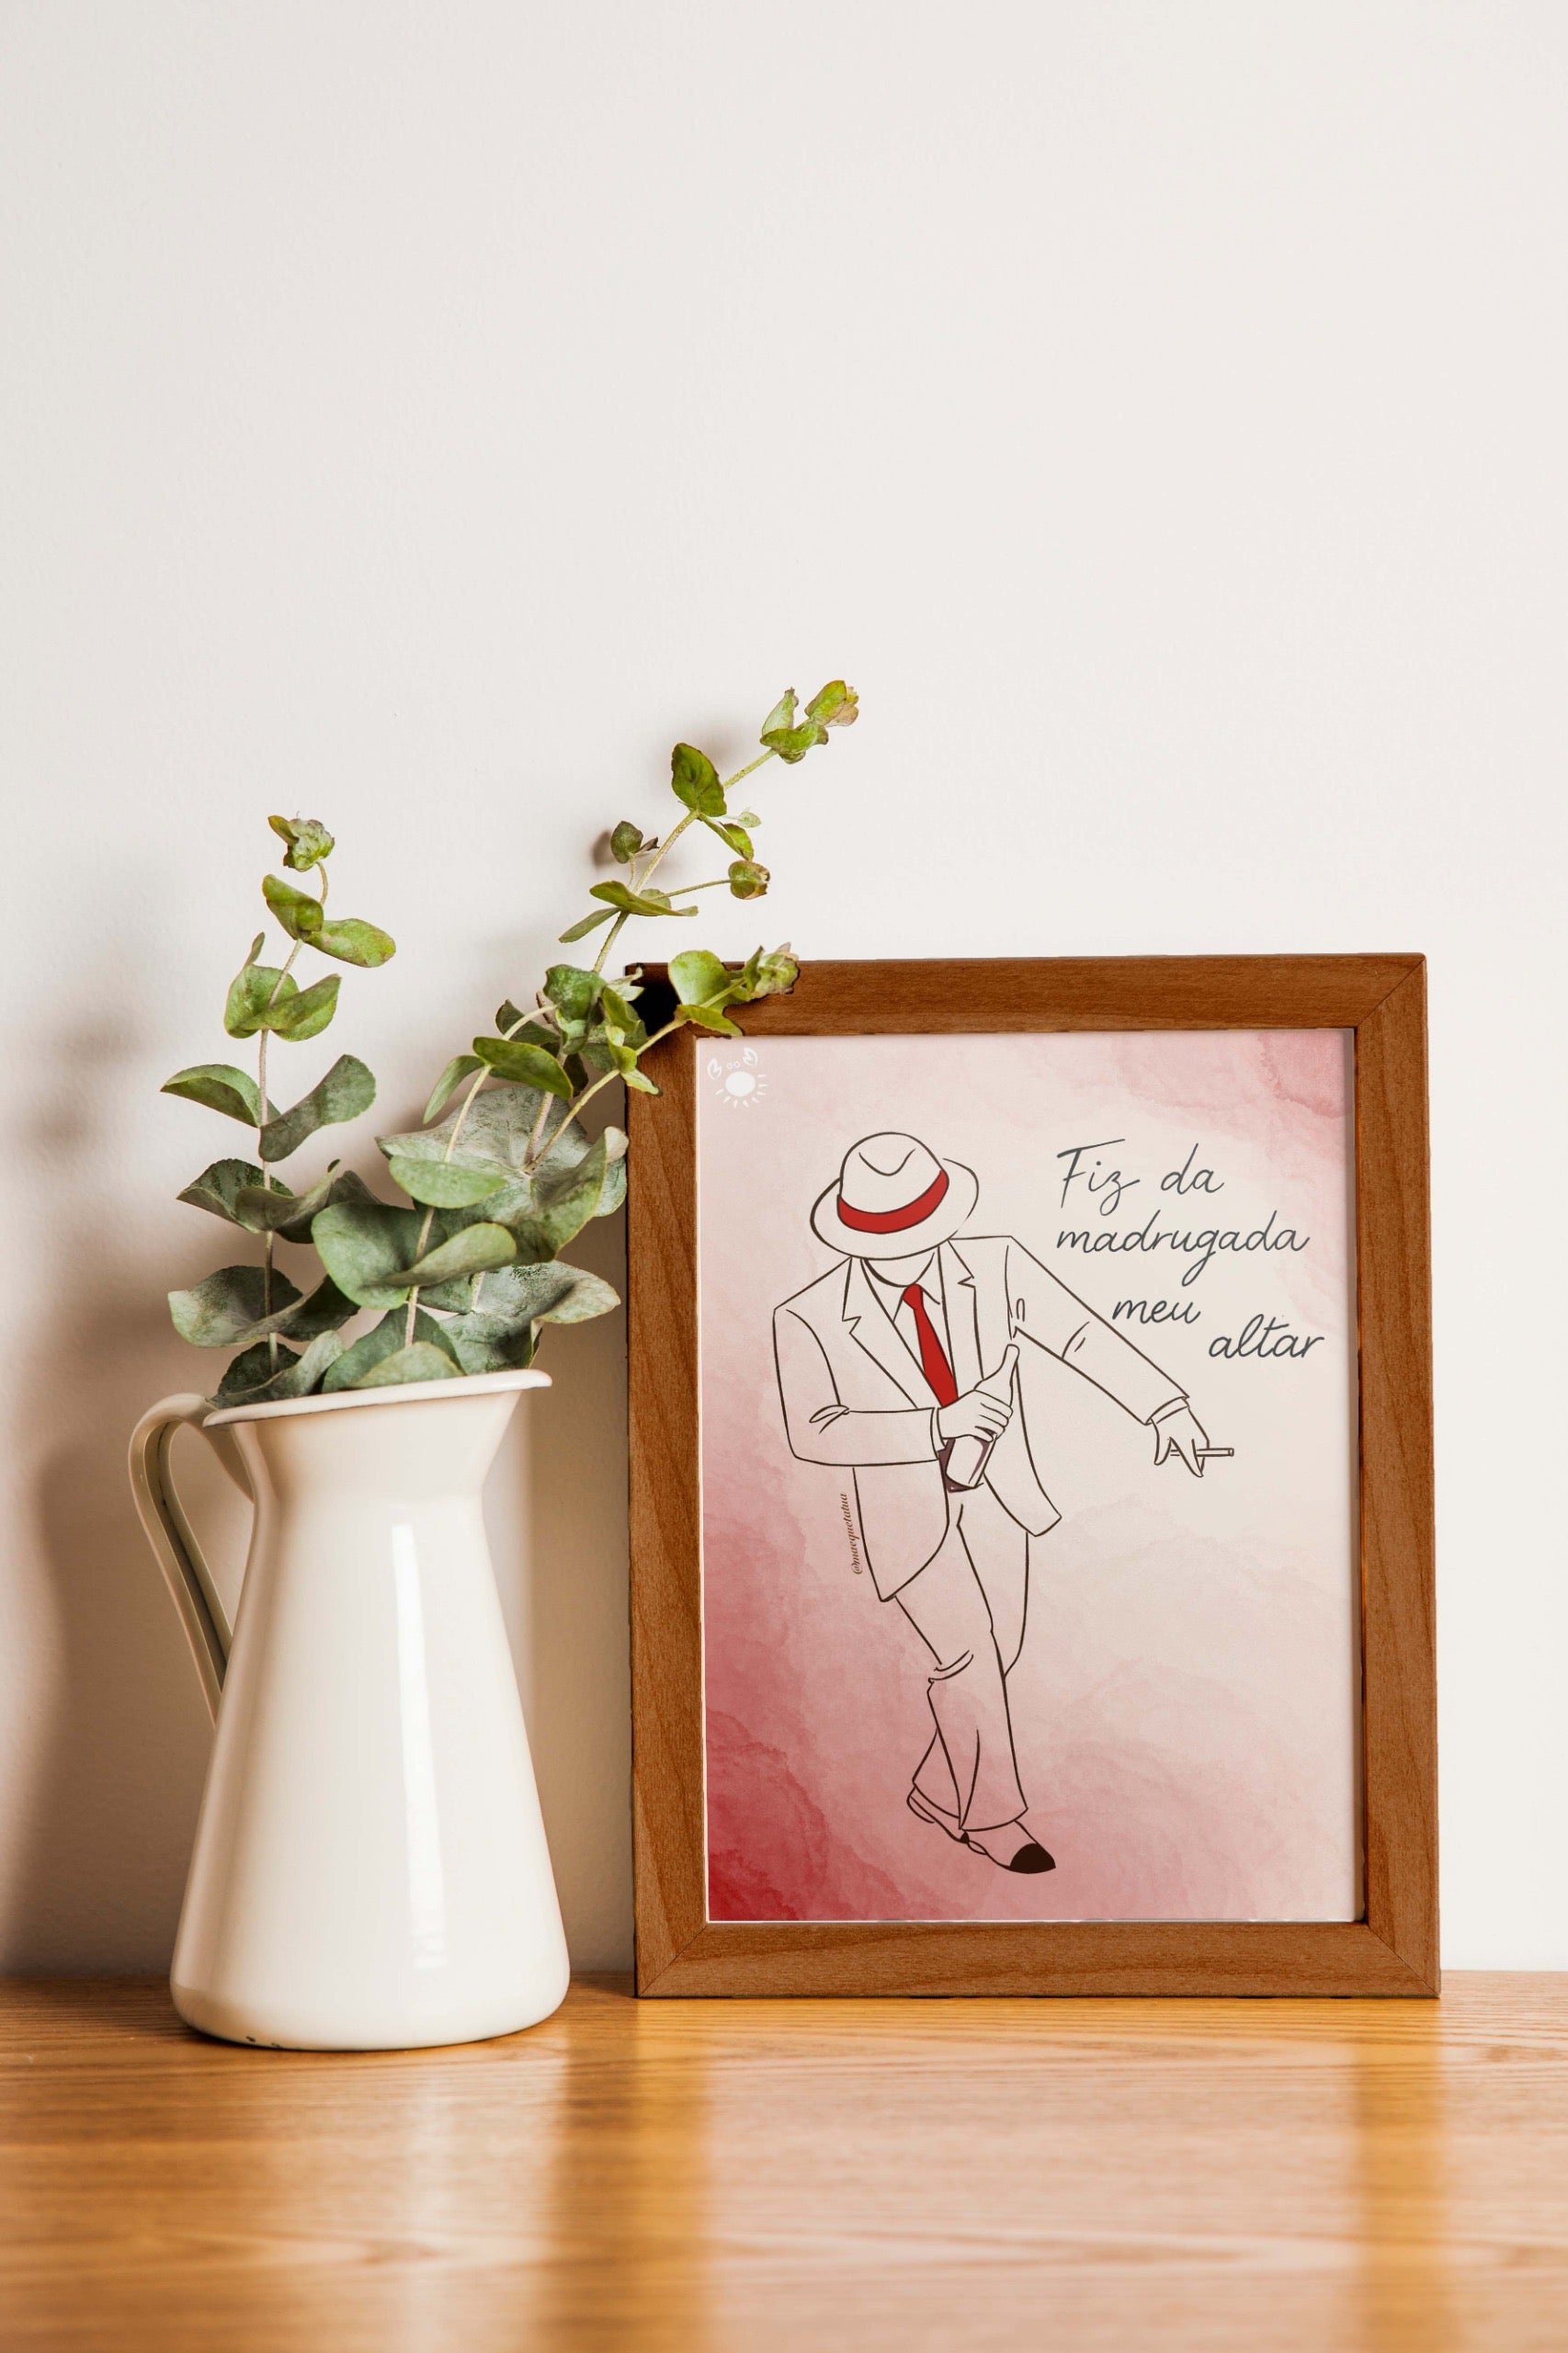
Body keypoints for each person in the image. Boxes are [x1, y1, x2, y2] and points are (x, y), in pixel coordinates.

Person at [772, 1132, 1211, 1874]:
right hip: (906, 1516)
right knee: (970, 1652)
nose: (910, 1251)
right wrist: (936, 1425)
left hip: (1002, 1497)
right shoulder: (808, 1317)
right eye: (889, 1240)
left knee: (996, 1652)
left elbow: (1080, 1334)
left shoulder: (998, 1264)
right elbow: (814, 1430)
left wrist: (1164, 1407)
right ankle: (994, 1821)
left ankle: (937, 1791)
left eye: (921, 1232)